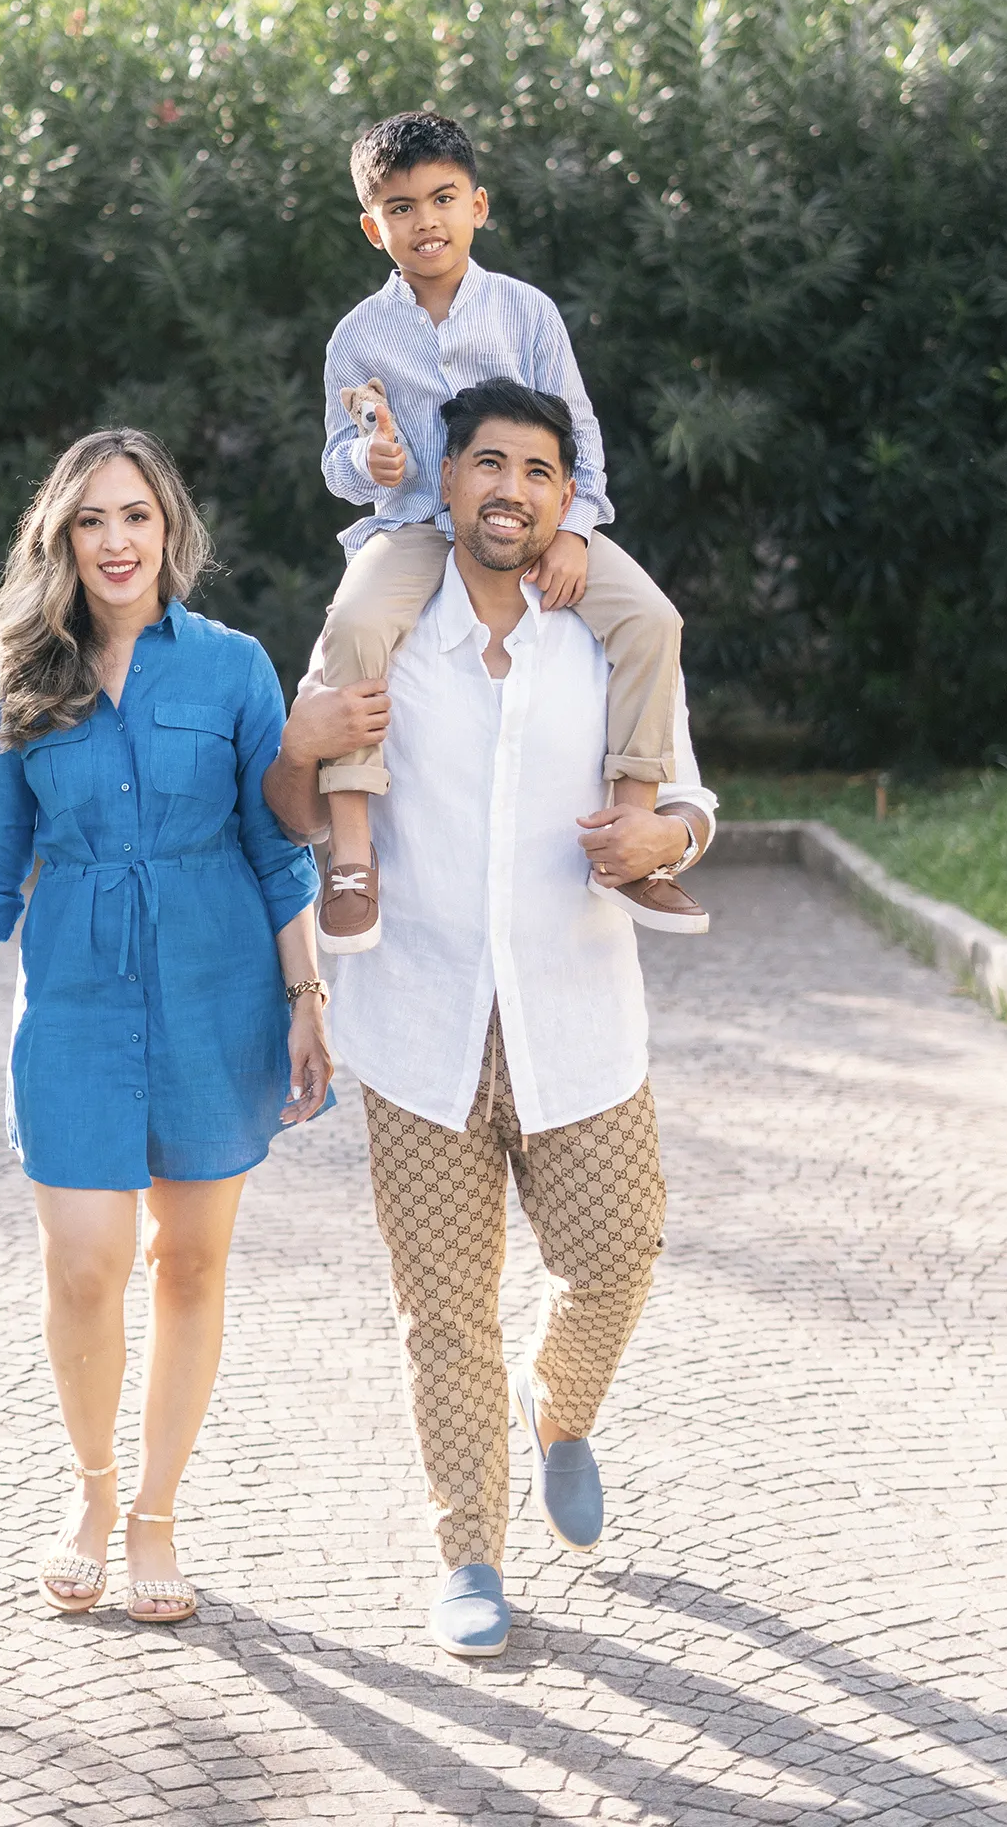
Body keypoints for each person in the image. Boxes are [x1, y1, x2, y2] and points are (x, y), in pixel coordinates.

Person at [265, 379, 716, 1660]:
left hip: (579, 1016)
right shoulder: (385, 627)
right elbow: (293, 805)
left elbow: (689, 795)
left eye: (535, 471)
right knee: (444, 1310)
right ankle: (469, 1551)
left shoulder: (606, 637)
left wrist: (664, 830)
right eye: (485, 466)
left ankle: (557, 1406)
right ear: (445, 485)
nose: (508, 489)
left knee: (620, 1253)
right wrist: (299, 742)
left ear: (564, 498)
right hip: (416, 1024)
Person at [0, 428, 331, 1626]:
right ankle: (92, 1491)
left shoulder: (232, 669)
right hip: (75, 1004)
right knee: (87, 1261)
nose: (115, 541)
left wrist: (308, 1000)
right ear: (61, 538)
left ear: (171, 532)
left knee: (193, 1261)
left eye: (135, 517)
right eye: (91, 521)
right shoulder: (22, 674)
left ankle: (157, 1512)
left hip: (221, 994)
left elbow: (277, 848)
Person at [314, 109, 704, 954]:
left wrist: (579, 528)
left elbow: (580, 432)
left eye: (443, 198)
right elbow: (337, 458)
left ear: (479, 206)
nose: (426, 221)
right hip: (416, 527)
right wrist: (367, 464)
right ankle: (350, 855)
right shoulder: (357, 337)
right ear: (372, 226)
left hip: (533, 526)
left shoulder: (526, 313)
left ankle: (633, 842)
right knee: (353, 623)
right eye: (402, 206)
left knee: (652, 620)